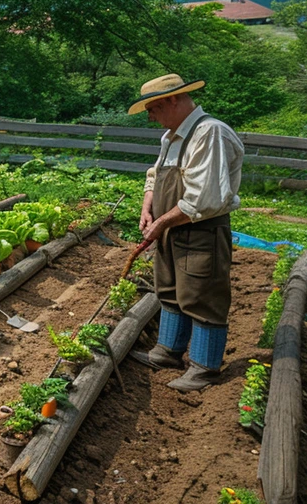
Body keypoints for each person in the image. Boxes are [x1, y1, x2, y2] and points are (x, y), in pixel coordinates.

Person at [126, 74, 244, 391]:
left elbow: (204, 199)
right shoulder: (172, 136)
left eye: (153, 108)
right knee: (170, 290)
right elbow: (157, 173)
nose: (150, 116)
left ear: (174, 100)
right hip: (171, 225)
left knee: (201, 295)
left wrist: (162, 223)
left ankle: (204, 368)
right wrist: (148, 204)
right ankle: (168, 351)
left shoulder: (209, 133)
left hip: (200, 230)